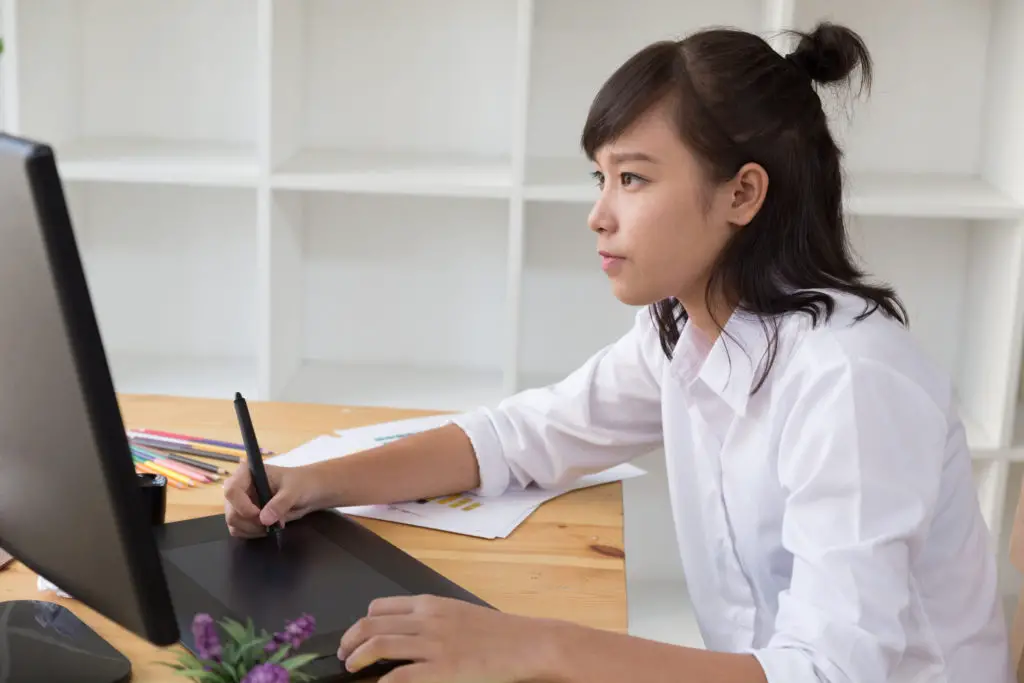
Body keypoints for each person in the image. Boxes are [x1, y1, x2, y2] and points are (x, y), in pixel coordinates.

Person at [223, 21, 1011, 683]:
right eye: (599, 177)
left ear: (742, 193)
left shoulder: (851, 380)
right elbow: (525, 434)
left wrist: (541, 642)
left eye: (632, 178)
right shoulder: (687, 330)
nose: (599, 215)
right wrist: (314, 481)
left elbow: (827, 671)